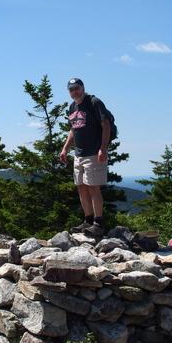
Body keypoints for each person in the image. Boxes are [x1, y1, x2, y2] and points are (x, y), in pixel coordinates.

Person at [60, 78, 110, 237]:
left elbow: (106, 124)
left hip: (94, 152)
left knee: (93, 187)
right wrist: (65, 148)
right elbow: (73, 129)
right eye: (71, 89)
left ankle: (98, 223)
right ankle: (88, 220)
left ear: (82, 88)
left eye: (76, 88)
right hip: (79, 154)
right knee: (81, 187)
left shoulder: (94, 102)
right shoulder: (72, 107)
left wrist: (103, 148)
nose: (74, 91)